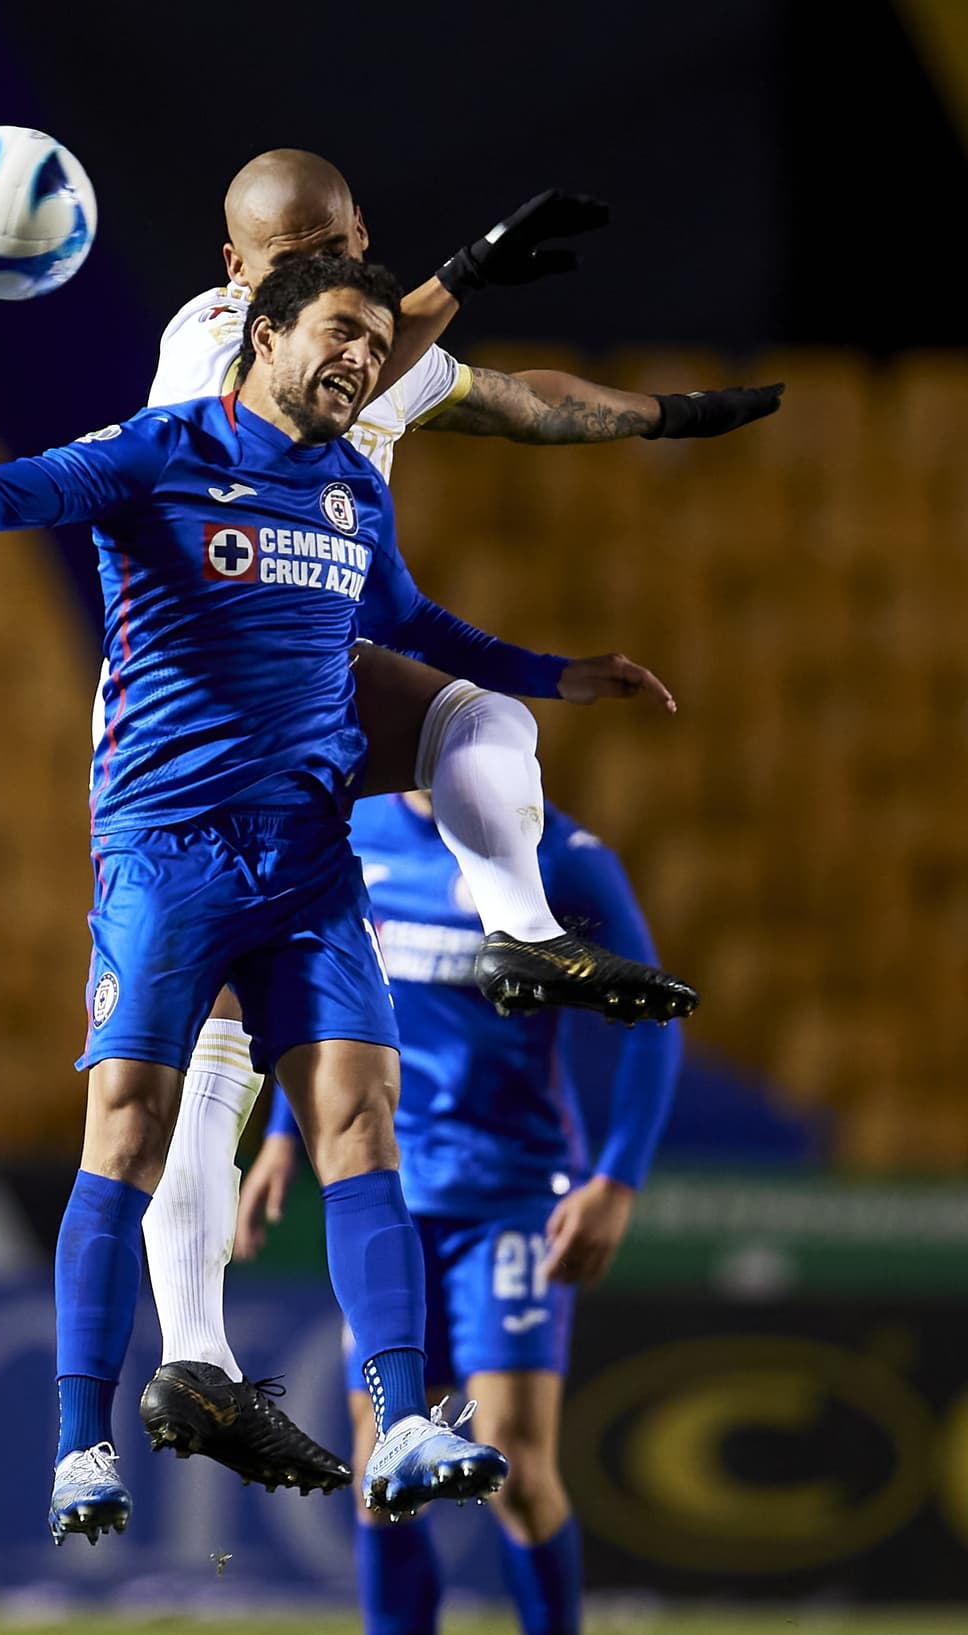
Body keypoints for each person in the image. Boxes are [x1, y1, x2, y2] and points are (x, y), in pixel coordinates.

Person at [0, 254, 692, 1548]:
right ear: (259, 334)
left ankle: (404, 1411)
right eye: (341, 335)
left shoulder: (352, 490)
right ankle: (80, 1446)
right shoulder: (159, 450)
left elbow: (420, 626)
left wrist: (557, 676)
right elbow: (21, 485)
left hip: (312, 861)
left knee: (357, 1126)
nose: (364, 362)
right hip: (168, 853)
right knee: (129, 1130)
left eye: (379, 345)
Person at [136, 147, 776, 1493]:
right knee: (205, 1051)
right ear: (236, 273)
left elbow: (524, 403)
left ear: (358, 233)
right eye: (289, 258)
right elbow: (309, 406)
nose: (317, 275)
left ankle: (518, 934)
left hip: (300, 692)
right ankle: (191, 1353)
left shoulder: (371, 345)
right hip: (197, 696)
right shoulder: (215, 346)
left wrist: (662, 417)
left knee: (475, 732)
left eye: (337, 245)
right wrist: (465, 274)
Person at [235, 790, 682, 1635]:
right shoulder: (350, 838)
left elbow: (654, 1022)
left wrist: (615, 1178)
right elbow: (312, 994)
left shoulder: (560, 856)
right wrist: (291, 1137)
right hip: (381, 1190)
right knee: (381, 1475)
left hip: (510, 1196)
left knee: (517, 1468)